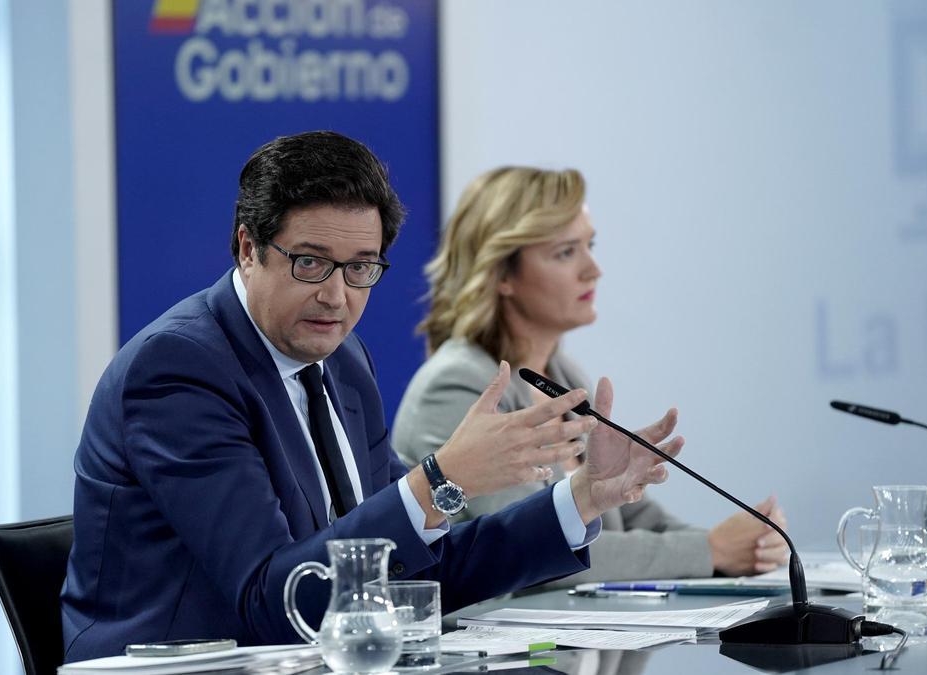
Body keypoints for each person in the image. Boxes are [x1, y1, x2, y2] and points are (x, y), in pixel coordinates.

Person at [61, 133, 683, 662]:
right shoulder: (179, 370)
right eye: (311, 262)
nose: (338, 296)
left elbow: (414, 569)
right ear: (248, 249)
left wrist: (575, 502)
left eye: (362, 266)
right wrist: (443, 481)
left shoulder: (342, 358)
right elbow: (273, 599)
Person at [394, 166, 789, 585]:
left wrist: (741, 543)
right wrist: (710, 550)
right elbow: (528, 549)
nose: (593, 269)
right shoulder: (460, 386)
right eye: (566, 252)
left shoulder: (561, 376)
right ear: (502, 274)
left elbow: (626, 512)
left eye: (590, 245)